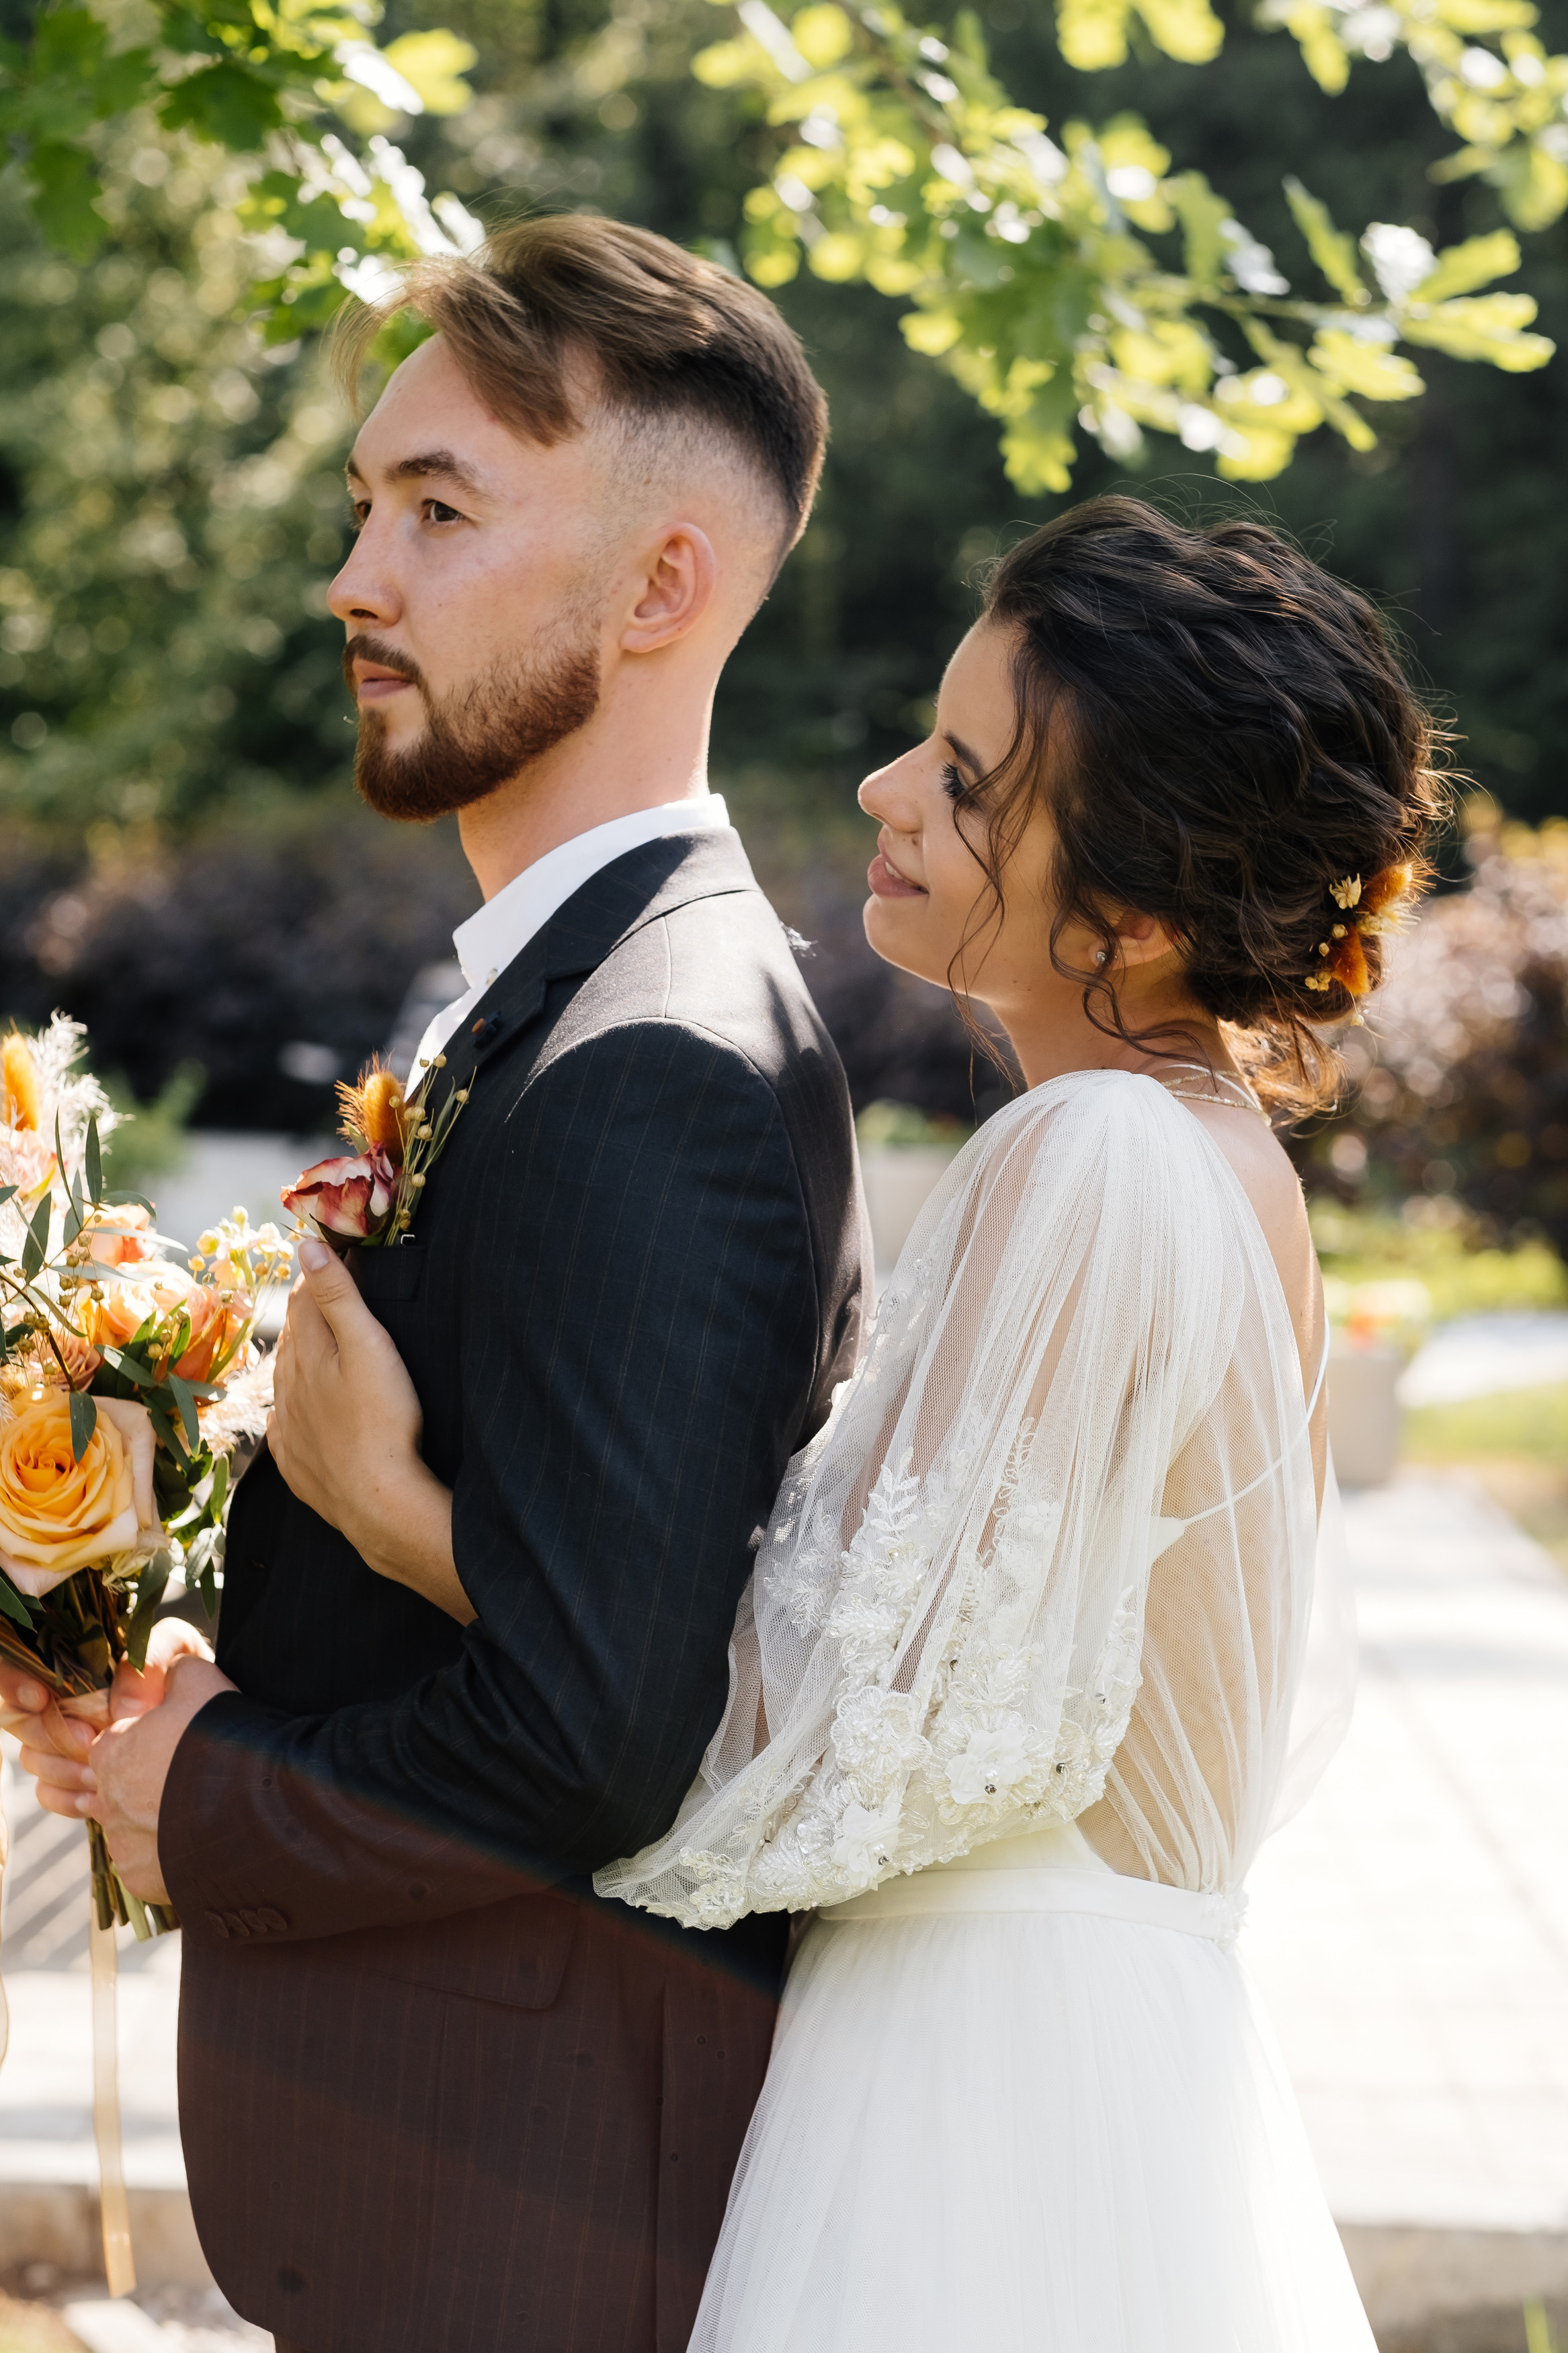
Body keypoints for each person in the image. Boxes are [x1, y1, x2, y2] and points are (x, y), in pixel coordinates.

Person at [208, 497, 1445, 2349]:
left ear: (1136, 909)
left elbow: (795, 1755)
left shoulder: (1091, 1156)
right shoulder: (1220, 1160)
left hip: (977, 2104)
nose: (881, 789)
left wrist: (396, 1513)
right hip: (1106, 2057)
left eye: (961, 782)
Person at [12, 217, 868, 2353]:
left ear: (663, 585)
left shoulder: (658, 1054)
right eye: (361, 506)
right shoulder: (549, 999)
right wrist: (173, 1620)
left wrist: (193, 1789)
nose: (352, 580)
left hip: (532, 2228)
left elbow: (594, 1729)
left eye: (438, 509)